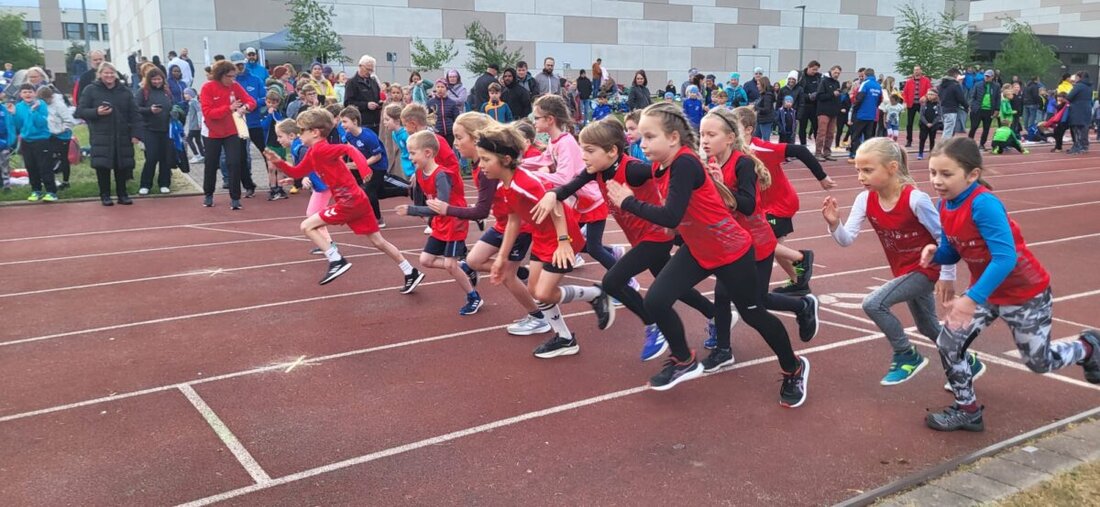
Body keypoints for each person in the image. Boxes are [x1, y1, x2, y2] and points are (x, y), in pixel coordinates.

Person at [604, 103, 808, 403]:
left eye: (649, 136)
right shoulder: (660, 166)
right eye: (640, 137)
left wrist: (629, 202)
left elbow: (671, 214)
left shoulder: (685, 163)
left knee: (754, 314)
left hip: (731, 251)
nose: (641, 143)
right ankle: (683, 359)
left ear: (673, 138)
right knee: (656, 300)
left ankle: (793, 367)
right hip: (699, 249)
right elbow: (681, 213)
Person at [919, 137, 1100, 431]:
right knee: (948, 343)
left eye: (946, 174)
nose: (937, 180)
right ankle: (968, 410)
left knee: (1039, 362)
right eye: (932, 172)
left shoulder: (984, 204)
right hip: (986, 293)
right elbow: (954, 248)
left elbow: (1005, 258)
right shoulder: (945, 204)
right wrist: (936, 254)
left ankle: (1087, 347)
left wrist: (970, 298)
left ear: (972, 175)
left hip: (1024, 294)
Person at [531, 118, 717, 361]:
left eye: (589, 150)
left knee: (612, 282)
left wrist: (694, 177)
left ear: (611, 151)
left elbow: (667, 171)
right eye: (582, 149)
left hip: (656, 236)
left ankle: (654, 325)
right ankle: (715, 314)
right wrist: (551, 194)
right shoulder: (596, 171)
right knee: (675, 287)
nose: (583, 156)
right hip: (640, 238)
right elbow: (567, 187)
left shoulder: (632, 170)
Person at [822, 137, 972, 385]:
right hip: (903, 270)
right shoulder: (864, 199)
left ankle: (906, 354)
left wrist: (947, 277)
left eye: (868, 170)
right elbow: (846, 239)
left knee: (873, 304)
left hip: (927, 268)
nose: (861, 177)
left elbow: (945, 238)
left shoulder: (915, 199)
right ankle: (967, 361)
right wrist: (834, 224)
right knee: (928, 326)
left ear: (892, 168)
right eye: (858, 170)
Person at [480, 124, 614, 358]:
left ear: (506, 159)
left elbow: (556, 204)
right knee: (534, 290)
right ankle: (564, 338)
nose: (480, 165)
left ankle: (595, 294)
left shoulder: (526, 183)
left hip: (562, 237)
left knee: (543, 293)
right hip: (542, 238)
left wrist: (563, 241)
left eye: (485, 159)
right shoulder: (505, 186)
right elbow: (513, 221)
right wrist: (501, 258)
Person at [700, 108, 820, 364]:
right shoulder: (710, 163)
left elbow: (747, 205)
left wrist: (722, 187)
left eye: (711, 134)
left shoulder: (743, 164)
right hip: (731, 244)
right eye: (702, 135)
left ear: (730, 137)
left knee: (758, 302)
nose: (705, 140)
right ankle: (723, 350)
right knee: (721, 294)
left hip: (757, 243)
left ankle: (802, 306)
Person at [264, 109, 425, 290]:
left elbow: (349, 149)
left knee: (307, 226)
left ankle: (336, 260)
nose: (299, 134)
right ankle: (410, 271)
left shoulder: (322, 149)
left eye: (301, 130)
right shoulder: (313, 152)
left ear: (315, 132)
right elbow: (297, 172)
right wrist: (278, 162)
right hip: (358, 200)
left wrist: (364, 169)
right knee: (378, 241)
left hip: (349, 203)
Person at [731, 107, 836, 300]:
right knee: (774, 247)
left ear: (748, 129)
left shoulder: (762, 148)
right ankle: (798, 282)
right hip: (763, 206)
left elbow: (801, 150)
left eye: (733, 126)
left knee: (761, 241)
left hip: (780, 204)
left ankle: (802, 258)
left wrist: (821, 177)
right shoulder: (735, 151)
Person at [522, 94, 614, 272]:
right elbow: (544, 159)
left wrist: (532, 175)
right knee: (573, 239)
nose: (534, 122)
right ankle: (554, 267)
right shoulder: (554, 141)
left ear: (550, 119)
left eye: (536, 118)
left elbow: (564, 178)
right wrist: (518, 164)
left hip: (592, 200)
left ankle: (627, 280)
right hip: (580, 202)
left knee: (593, 248)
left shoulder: (566, 142)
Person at [394, 130, 481, 314]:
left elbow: (442, 206)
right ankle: (465, 267)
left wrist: (412, 210)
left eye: (412, 153)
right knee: (425, 260)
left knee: (450, 265)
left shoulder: (441, 175)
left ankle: (474, 297)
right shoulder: (419, 173)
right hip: (441, 222)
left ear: (428, 153)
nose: (410, 157)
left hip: (455, 220)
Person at [75, 62, 142, 206]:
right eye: (106, 73)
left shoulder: (125, 91)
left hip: (122, 134)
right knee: (102, 166)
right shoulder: (90, 90)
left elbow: (135, 113)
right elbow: (80, 111)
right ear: (100, 74)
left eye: (112, 73)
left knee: (122, 165)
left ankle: (122, 194)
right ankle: (105, 195)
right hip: (101, 134)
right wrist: (96, 112)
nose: (109, 76)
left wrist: (136, 133)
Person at [200, 60, 256, 210]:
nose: (232, 79)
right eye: (229, 76)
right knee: (211, 164)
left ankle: (235, 198)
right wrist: (229, 108)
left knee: (234, 162)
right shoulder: (207, 88)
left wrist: (245, 107)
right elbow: (209, 113)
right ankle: (208, 194)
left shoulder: (235, 86)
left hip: (232, 130)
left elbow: (251, 101)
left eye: (234, 76)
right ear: (220, 75)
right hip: (212, 132)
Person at [275, 119, 333, 253]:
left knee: (314, 214)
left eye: (280, 136)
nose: (278, 140)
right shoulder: (296, 147)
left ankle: (328, 244)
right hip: (321, 184)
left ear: (291, 135)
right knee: (313, 214)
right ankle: (326, 242)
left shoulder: (300, 148)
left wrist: (306, 176)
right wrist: (295, 180)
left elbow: (311, 162)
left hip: (323, 184)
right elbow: (301, 168)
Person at [338, 107, 389, 226]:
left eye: (345, 121)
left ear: (355, 121)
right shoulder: (349, 135)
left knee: (369, 191)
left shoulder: (368, 136)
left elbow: (377, 156)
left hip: (378, 166)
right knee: (379, 192)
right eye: (341, 122)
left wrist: (360, 165)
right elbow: (350, 149)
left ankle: (378, 219)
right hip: (363, 165)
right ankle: (406, 190)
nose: (342, 125)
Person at [9, 84, 57, 202]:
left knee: (44, 166)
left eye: (30, 92)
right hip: (26, 140)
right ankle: (36, 190)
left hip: (41, 139)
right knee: (30, 166)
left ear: (35, 93)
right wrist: (13, 114)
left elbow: (41, 123)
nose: (28, 94)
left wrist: (34, 111)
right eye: (25, 92)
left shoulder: (41, 104)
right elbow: (18, 125)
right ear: (21, 95)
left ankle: (51, 191)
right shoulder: (19, 106)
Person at [136, 67, 176, 195]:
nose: (157, 82)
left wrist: (175, 112)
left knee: (165, 158)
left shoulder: (167, 91)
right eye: (154, 79)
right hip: (150, 129)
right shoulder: (143, 92)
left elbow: (173, 105)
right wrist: (150, 110)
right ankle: (145, 184)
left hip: (166, 129)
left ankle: (164, 183)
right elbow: (136, 108)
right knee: (151, 157)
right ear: (149, 80)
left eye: (159, 79)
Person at [847, 68, 882, 161]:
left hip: (861, 114)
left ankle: (854, 154)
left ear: (865, 75)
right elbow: (880, 100)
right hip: (871, 115)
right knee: (868, 137)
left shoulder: (865, 84)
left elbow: (859, 97)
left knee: (856, 135)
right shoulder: (878, 86)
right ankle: (868, 155)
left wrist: (854, 107)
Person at [260, 91, 288, 200]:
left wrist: (275, 114)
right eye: (269, 102)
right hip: (270, 144)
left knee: (280, 167)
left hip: (280, 144)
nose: (271, 104)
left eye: (274, 102)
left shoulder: (280, 113)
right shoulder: (263, 112)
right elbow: (264, 126)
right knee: (271, 167)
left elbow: (282, 123)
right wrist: (269, 115)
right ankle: (272, 188)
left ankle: (280, 187)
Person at [815, 65, 843, 161]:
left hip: (833, 112)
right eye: (835, 72)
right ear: (831, 71)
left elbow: (837, 97)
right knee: (822, 133)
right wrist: (832, 94)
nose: (837, 74)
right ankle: (818, 153)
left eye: (838, 73)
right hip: (824, 111)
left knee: (831, 133)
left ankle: (827, 152)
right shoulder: (824, 81)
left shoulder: (837, 83)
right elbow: (819, 96)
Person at [967, 70, 1000, 150]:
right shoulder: (978, 84)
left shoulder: (996, 86)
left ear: (992, 77)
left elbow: (997, 98)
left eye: (988, 76)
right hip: (978, 109)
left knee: (986, 128)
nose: (986, 78)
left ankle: (982, 144)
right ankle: (969, 143)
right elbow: (972, 96)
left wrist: (997, 109)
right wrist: (972, 106)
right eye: (986, 76)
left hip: (989, 110)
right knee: (974, 127)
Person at [902, 66, 932, 147]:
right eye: (915, 70)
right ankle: (909, 140)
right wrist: (905, 102)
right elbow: (905, 93)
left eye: (918, 70)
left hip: (922, 104)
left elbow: (929, 91)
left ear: (921, 71)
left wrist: (925, 97)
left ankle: (923, 138)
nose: (916, 71)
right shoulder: (909, 82)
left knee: (924, 121)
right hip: (911, 104)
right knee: (909, 123)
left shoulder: (926, 80)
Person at [383, 103, 414, 180]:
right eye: (384, 119)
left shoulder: (406, 134)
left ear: (397, 121)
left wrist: (415, 171)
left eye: (387, 119)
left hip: (413, 166)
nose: (384, 122)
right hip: (406, 166)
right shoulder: (394, 133)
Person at [1066, 71, 1093, 154]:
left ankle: (1077, 146)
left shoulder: (1078, 86)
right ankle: (1084, 146)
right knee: (1084, 128)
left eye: (1076, 77)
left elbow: (1069, 97)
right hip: (1087, 109)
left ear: (1079, 77)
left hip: (1077, 109)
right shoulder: (1089, 86)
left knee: (1076, 128)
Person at [797, 62, 821, 145]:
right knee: (802, 127)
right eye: (813, 69)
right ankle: (803, 145)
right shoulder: (801, 77)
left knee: (816, 127)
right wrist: (808, 96)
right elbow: (798, 92)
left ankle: (818, 146)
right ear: (808, 67)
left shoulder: (818, 77)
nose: (815, 71)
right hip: (804, 106)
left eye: (816, 70)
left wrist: (816, 95)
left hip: (815, 106)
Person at [917, 90, 942, 160]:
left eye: (932, 94)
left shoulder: (938, 105)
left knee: (932, 139)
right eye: (928, 94)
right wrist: (926, 123)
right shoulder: (924, 104)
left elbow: (939, 115)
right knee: (922, 139)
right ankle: (920, 153)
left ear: (936, 96)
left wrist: (933, 123)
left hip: (933, 125)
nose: (930, 96)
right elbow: (921, 115)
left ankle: (931, 153)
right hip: (924, 125)